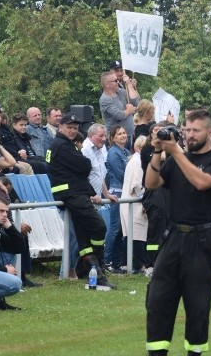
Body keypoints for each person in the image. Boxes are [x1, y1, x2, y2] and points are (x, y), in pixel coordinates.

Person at [132, 108, 211, 356]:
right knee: (158, 297)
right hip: (174, 235)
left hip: (203, 237)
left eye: (195, 130)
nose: (188, 135)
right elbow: (151, 183)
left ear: (209, 132)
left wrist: (175, 152)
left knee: (198, 302)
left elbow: (201, 182)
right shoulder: (176, 158)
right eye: (186, 130)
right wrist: (156, 151)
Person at [47, 113, 114, 288]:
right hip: (71, 194)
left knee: (83, 236)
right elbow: (85, 166)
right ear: (60, 127)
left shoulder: (66, 145)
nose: (72, 131)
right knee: (99, 226)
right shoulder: (62, 146)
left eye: (75, 128)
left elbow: (84, 169)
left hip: (75, 193)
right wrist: (83, 165)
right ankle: (96, 265)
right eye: (69, 127)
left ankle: (93, 270)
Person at [121, 136, 150, 273]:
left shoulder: (135, 160)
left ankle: (132, 264)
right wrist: (148, 196)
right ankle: (140, 265)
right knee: (137, 236)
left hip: (131, 203)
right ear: (139, 148)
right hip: (134, 203)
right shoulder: (138, 161)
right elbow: (138, 185)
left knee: (133, 235)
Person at [105, 125, 131, 272]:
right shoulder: (113, 153)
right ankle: (107, 260)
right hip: (117, 192)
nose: (123, 135)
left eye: (124, 132)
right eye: (119, 134)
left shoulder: (126, 152)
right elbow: (121, 174)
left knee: (122, 229)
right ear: (113, 137)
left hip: (126, 193)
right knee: (115, 227)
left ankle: (117, 261)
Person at [99, 67, 140, 149]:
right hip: (116, 139)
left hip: (129, 135)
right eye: (115, 81)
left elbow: (136, 101)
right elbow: (119, 115)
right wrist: (129, 110)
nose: (118, 82)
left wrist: (129, 85)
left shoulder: (121, 91)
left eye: (117, 80)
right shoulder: (105, 99)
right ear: (107, 84)